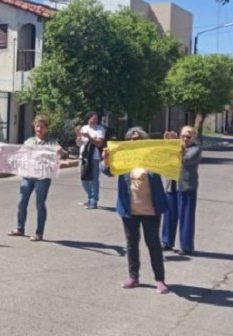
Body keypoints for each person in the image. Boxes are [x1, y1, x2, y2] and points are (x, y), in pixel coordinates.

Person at [101, 127, 169, 294]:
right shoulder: (125, 159)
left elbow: (171, 163)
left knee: (153, 244)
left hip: (151, 210)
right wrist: (106, 160)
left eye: (138, 139)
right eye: (131, 139)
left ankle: (160, 279)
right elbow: (107, 171)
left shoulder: (153, 158)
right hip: (129, 209)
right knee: (132, 243)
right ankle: (133, 277)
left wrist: (175, 148)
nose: (134, 142)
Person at [7, 115, 65, 241]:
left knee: (40, 204)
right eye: (37, 126)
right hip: (28, 176)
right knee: (21, 202)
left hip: (42, 178)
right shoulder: (28, 141)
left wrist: (61, 152)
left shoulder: (51, 142)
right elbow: (21, 156)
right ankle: (20, 228)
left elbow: (62, 154)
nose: (39, 129)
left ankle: (39, 233)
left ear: (46, 129)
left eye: (42, 127)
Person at [161, 126, 202, 255]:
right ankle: (167, 241)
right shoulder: (175, 145)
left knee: (186, 217)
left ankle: (186, 246)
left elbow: (184, 159)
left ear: (193, 138)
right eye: (182, 136)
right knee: (169, 215)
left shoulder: (196, 148)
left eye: (188, 137)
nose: (185, 139)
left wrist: (176, 144)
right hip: (171, 184)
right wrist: (167, 142)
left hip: (186, 186)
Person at [75, 111, 106, 209]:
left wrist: (89, 137)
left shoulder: (100, 129)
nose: (95, 120)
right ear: (88, 119)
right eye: (93, 118)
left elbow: (99, 144)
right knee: (84, 179)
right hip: (84, 156)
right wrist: (79, 137)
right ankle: (90, 196)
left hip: (94, 157)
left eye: (96, 119)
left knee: (94, 179)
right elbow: (78, 144)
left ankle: (94, 200)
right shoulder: (84, 128)